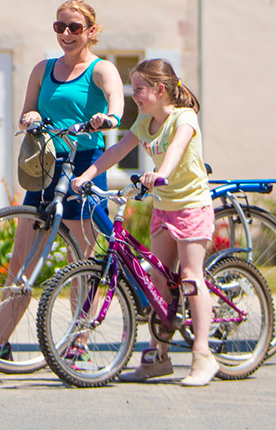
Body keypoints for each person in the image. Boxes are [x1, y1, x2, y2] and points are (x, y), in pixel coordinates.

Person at [0, 0, 122, 370]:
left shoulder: (100, 69)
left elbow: (117, 103)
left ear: (91, 31)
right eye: (59, 27)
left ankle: (78, 342)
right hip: (45, 164)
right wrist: (31, 116)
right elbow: (27, 110)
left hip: (84, 166)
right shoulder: (43, 69)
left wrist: (107, 119)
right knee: (22, 259)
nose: (65, 34)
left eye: (74, 28)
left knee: (80, 258)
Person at [71, 58, 219, 387]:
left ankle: (202, 354)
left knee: (191, 277)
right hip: (164, 207)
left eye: (138, 88)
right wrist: (87, 175)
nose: (134, 94)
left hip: (192, 206)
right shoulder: (144, 121)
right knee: (158, 282)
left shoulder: (184, 116)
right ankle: (157, 357)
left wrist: (160, 174)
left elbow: (177, 148)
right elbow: (117, 151)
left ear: (159, 89)